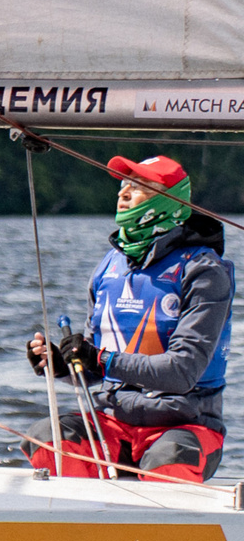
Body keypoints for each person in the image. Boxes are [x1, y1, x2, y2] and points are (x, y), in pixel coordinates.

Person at [25, 154, 231, 482]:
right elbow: (94, 368)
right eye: (123, 185)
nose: (123, 193)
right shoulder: (109, 268)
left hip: (184, 426)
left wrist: (99, 359)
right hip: (114, 423)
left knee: (169, 460)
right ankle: (76, 524)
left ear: (170, 201)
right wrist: (64, 366)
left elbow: (182, 373)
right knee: (47, 438)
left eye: (138, 187)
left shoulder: (204, 272)